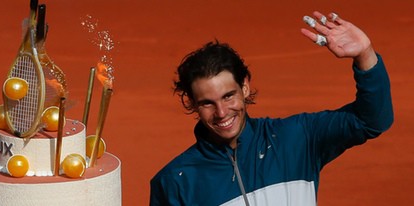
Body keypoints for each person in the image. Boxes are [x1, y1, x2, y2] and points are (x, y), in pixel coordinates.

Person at [150, 11, 393, 206]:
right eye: (207, 103)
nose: (222, 112)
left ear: (245, 87)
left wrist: (365, 55)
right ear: (192, 103)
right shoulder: (175, 182)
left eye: (228, 96)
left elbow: (370, 120)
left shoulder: (296, 138)